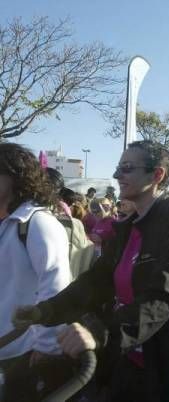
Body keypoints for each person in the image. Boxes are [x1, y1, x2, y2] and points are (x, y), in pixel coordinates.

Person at [13, 140, 169, 401]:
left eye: (127, 168)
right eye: (118, 167)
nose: (116, 175)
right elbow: (96, 281)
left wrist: (100, 333)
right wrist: (46, 310)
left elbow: (164, 293)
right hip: (132, 356)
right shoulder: (128, 226)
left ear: (157, 175)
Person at [0, 143, 72, 401]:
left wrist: (46, 346)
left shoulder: (37, 223)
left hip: (22, 356)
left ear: (16, 177)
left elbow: (56, 286)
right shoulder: (6, 223)